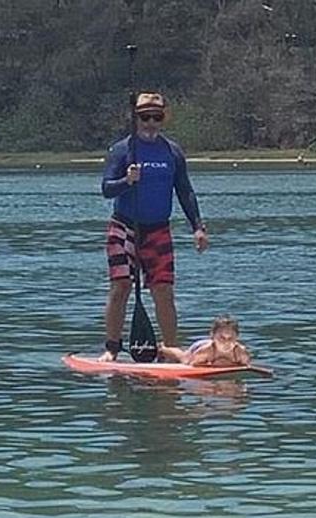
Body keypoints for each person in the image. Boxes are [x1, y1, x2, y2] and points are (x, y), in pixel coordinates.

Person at [98, 92, 209, 361]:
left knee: (163, 290)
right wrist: (127, 180)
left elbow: (185, 191)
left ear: (163, 118)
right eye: (145, 117)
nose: (150, 122)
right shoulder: (122, 150)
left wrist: (197, 226)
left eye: (156, 117)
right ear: (135, 118)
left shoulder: (172, 152)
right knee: (121, 285)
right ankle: (112, 348)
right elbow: (106, 190)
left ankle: (170, 349)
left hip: (158, 229)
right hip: (124, 227)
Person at [158, 314, 252, 366]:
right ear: (212, 336)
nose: (226, 342)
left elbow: (247, 366)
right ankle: (163, 348)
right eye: (221, 338)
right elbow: (192, 365)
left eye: (230, 338)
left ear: (237, 338)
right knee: (183, 357)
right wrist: (211, 364)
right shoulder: (206, 351)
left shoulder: (240, 352)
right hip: (199, 347)